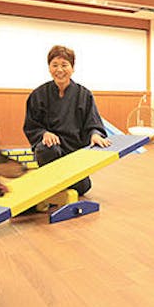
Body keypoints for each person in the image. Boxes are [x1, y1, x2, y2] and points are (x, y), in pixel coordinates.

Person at [24, 45, 111, 196]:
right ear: (49, 68)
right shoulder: (38, 94)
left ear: (72, 68)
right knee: (47, 149)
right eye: (55, 65)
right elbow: (32, 125)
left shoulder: (84, 95)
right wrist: (44, 133)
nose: (59, 70)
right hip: (51, 149)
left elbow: (93, 122)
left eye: (64, 65)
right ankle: (52, 185)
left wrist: (95, 135)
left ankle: (51, 183)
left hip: (74, 152)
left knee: (83, 187)